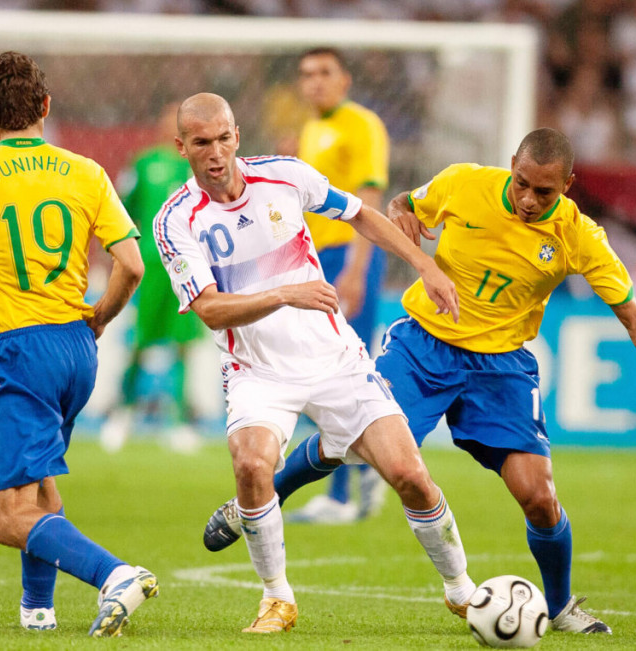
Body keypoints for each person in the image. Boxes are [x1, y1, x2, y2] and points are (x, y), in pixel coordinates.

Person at [203, 127, 636, 635]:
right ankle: (258, 500)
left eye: (544, 192)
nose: (529, 199)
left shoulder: (579, 236)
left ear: (568, 185)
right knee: (357, 446)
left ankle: (559, 606)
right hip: (423, 347)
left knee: (539, 496)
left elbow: (633, 316)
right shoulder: (464, 183)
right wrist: (403, 212)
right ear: (511, 165)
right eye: (522, 183)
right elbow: (406, 203)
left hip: (501, 368)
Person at [157, 93, 475, 634]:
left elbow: (361, 214)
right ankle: (276, 598)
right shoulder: (176, 220)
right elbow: (209, 309)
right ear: (182, 146)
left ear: (237, 135)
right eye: (202, 142)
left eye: (224, 138)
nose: (215, 153)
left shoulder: (285, 175)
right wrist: (286, 294)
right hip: (257, 371)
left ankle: (461, 589)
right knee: (252, 466)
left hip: (335, 361)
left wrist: (425, 265)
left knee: (409, 475)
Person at [0, 51, 157, 638]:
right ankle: (37, 610)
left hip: (18, 350)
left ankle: (115, 574)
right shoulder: (87, 172)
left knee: (3, 515)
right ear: (45, 105)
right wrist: (99, 318)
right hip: (77, 350)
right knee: (39, 484)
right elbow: (132, 265)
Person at [290, 47, 391, 523]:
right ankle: (365, 468)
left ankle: (343, 492)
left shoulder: (362, 124)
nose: (315, 81)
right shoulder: (312, 128)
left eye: (325, 72)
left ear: (345, 79)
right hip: (318, 260)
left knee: (344, 370)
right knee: (314, 370)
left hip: (350, 255)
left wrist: (355, 268)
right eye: (307, 73)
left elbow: (369, 196)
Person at [100, 101, 205, 453]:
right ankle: (123, 412)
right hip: (151, 266)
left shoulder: (198, 168)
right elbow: (122, 211)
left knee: (183, 344)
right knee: (141, 342)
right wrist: (118, 255)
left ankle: (178, 421)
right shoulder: (144, 164)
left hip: (189, 267)